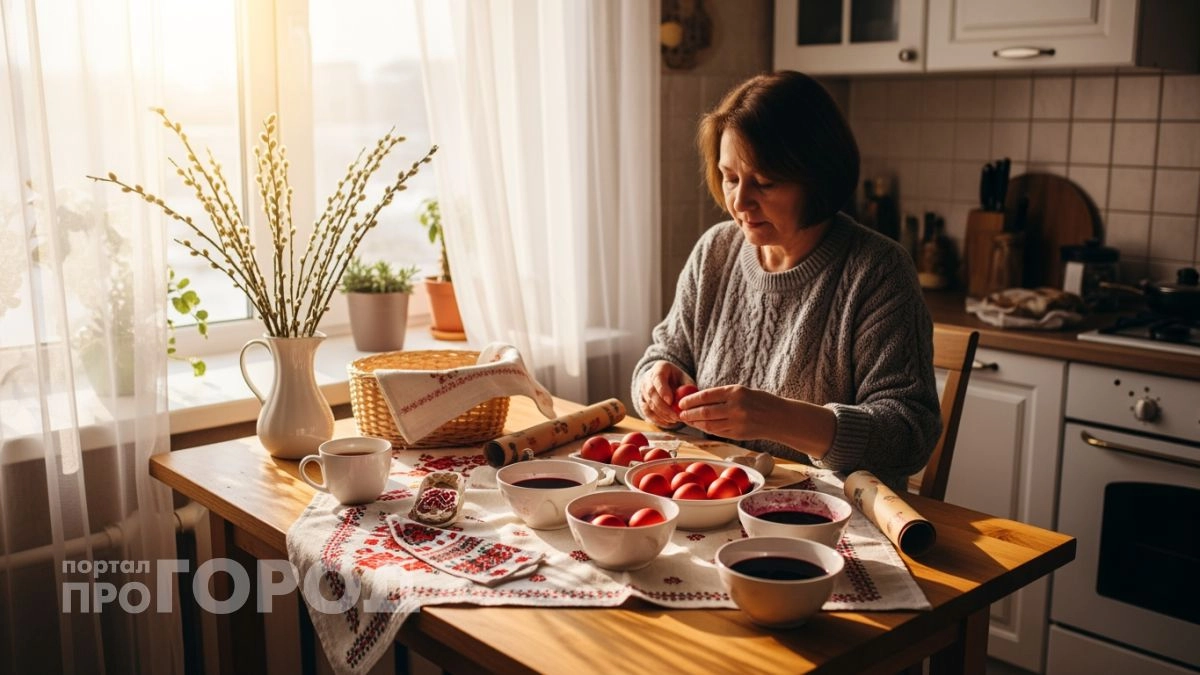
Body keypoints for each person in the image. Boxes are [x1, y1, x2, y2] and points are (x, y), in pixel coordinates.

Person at [631, 71, 941, 492]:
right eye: (730, 177)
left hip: (831, 519)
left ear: (818, 176)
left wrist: (778, 419)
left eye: (765, 182)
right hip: (719, 501)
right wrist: (654, 381)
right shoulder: (715, 252)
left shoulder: (878, 269)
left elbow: (910, 433)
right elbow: (666, 353)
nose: (739, 202)